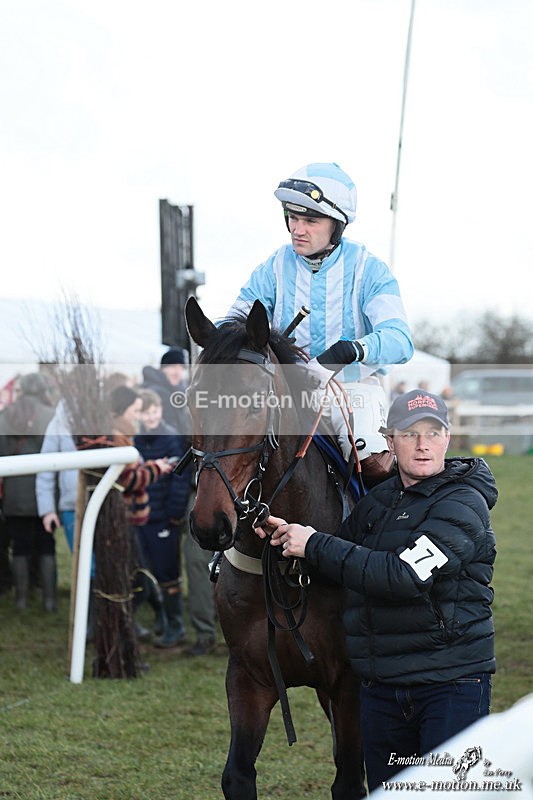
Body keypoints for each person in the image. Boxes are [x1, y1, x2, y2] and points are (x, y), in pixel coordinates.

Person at [255, 389, 497, 791]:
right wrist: (284, 539)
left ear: (448, 439)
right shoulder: (379, 501)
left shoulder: (463, 503)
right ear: (388, 440)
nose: (422, 444)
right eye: (409, 433)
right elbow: (334, 569)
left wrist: (313, 543)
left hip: (450, 688)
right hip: (382, 689)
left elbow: (403, 576)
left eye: (433, 433)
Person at [227, 162, 413, 480]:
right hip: (286, 391)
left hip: (351, 389)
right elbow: (234, 322)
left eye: (310, 220)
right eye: (293, 217)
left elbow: (400, 339)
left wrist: (349, 350)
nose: (297, 229)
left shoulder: (369, 269)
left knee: (374, 463)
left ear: (336, 225)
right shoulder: (272, 268)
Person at [107, 385, 174, 638]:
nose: (137, 415)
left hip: (133, 518)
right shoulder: (117, 436)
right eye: (135, 411)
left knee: (138, 576)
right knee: (137, 578)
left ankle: (127, 624)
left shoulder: (124, 434)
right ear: (122, 410)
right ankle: (121, 625)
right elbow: (127, 478)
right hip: (125, 519)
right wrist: (156, 469)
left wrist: (149, 465)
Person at [134, 389, 191, 647]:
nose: (150, 416)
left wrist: (174, 515)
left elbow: (180, 479)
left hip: (164, 520)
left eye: (154, 411)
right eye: (145, 412)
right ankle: (161, 618)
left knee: (168, 573)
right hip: (141, 519)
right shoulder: (135, 439)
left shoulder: (171, 438)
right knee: (144, 571)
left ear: (160, 410)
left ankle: (176, 627)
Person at [0, 373, 56, 611]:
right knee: (46, 544)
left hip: (14, 492)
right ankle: (50, 601)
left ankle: (21, 600)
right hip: (43, 492)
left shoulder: (4, 415)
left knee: (20, 546)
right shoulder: (51, 416)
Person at [141, 347, 191, 437]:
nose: (177, 372)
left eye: (181, 368)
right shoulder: (156, 392)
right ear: (162, 368)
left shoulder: (178, 391)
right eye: (173, 367)